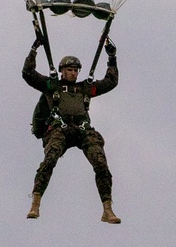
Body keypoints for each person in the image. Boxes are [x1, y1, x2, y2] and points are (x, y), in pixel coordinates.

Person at [22, 32, 120, 223]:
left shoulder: (85, 88)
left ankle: (107, 210)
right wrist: (34, 49)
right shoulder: (52, 86)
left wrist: (112, 57)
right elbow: (28, 74)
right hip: (60, 130)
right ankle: (35, 203)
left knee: (101, 164)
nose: (73, 73)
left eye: (76, 70)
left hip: (83, 130)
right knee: (49, 160)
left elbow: (111, 82)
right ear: (61, 71)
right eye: (69, 70)